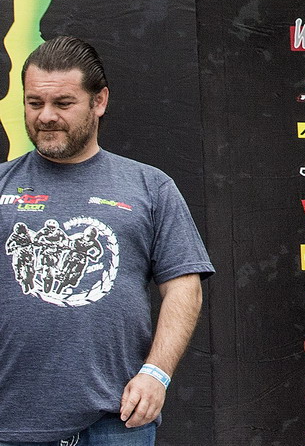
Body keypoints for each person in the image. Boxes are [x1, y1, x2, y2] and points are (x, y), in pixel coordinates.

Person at [0, 36, 211, 446]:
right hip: (12, 421)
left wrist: (157, 374)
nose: (46, 116)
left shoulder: (150, 187)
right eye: (34, 103)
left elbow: (184, 287)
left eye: (63, 103)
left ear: (99, 101)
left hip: (117, 421)